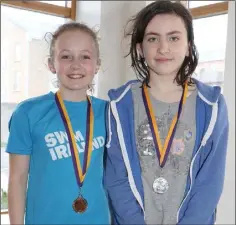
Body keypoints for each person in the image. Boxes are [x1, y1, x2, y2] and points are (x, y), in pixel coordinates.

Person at [104, 1, 229, 224]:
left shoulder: (211, 106)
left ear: (189, 45)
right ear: (140, 48)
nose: (163, 48)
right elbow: (116, 179)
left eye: (174, 38)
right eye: (153, 38)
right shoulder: (120, 104)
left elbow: (210, 181)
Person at [6, 22, 110, 224]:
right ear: (51, 64)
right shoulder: (28, 113)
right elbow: (17, 179)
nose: (75, 64)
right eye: (66, 56)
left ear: (97, 64)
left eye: (85, 56)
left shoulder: (109, 113)